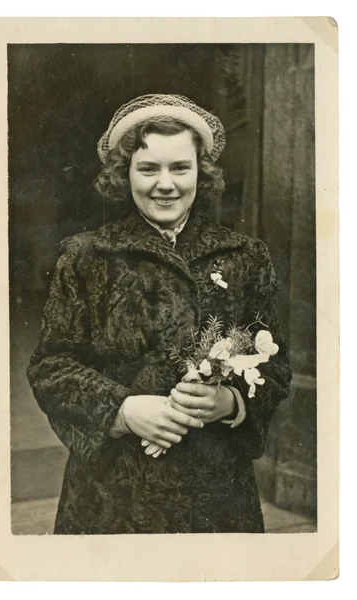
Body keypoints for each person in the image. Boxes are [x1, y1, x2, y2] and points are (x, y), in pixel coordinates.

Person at [27, 94, 292, 534]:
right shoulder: (87, 256)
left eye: (180, 168)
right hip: (113, 493)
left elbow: (276, 367)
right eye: (148, 169)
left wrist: (230, 403)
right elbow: (51, 367)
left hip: (216, 493)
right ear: (124, 173)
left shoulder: (243, 257)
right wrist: (123, 409)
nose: (164, 184)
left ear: (200, 173)